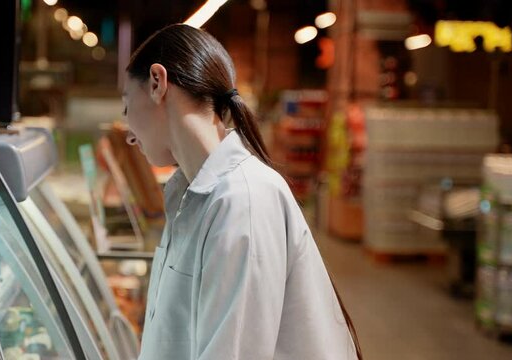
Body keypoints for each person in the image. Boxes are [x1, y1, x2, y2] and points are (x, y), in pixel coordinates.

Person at [122, 23, 361, 360]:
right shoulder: (196, 196)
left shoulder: (243, 201)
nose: (129, 133)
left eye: (126, 105)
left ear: (157, 83)